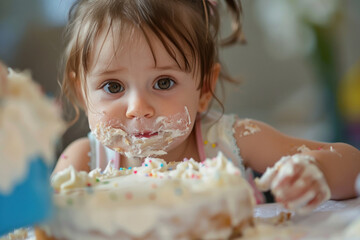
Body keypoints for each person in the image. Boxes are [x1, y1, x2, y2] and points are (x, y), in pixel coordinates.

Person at [54, 0, 360, 213]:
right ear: (82, 93)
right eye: (113, 87)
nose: (138, 109)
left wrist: (316, 172)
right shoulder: (83, 162)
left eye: (163, 82)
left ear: (203, 88)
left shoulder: (233, 141)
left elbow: (352, 164)